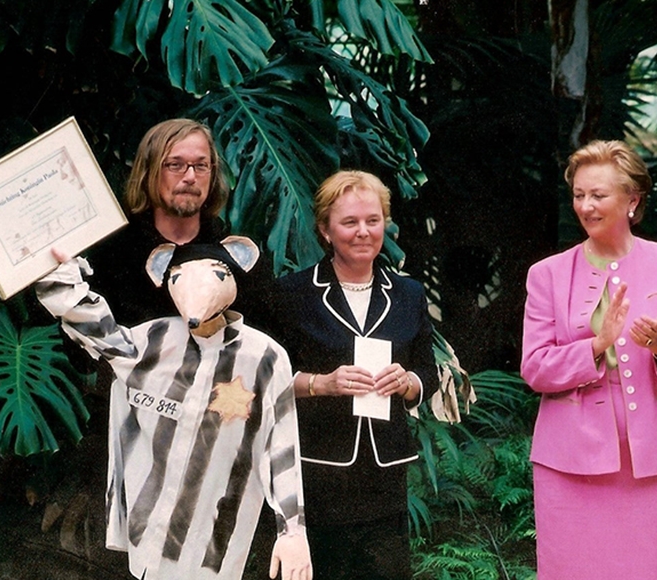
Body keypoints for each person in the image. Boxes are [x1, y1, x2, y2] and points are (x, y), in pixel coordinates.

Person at [36, 238, 310, 580]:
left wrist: (292, 529)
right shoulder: (154, 339)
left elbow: (281, 443)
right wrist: (63, 276)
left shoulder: (264, 357)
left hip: (215, 540)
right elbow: (98, 332)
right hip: (147, 531)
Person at [520, 140, 657, 579]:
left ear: (633, 200)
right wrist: (594, 344)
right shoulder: (546, 274)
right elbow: (534, 368)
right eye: (579, 195)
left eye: (598, 195)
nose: (586, 206)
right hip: (571, 464)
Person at [272, 170, 437, 580]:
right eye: (349, 222)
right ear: (325, 230)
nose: (363, 232)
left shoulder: (409, 293)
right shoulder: (293, 293)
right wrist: (320, 384)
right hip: (316, 473)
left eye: (373, 220)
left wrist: (408, 383)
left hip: (385, 477)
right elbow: (265, 378)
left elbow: (427, 373)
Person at [90, 118, 272, 329]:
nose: (191, 177)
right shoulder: (114, 257)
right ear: (149, 172)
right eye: (175, 165)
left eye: (201, 166)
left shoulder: (236, 258)